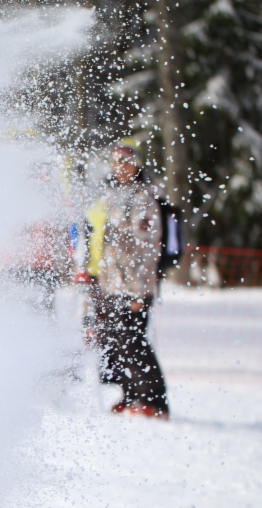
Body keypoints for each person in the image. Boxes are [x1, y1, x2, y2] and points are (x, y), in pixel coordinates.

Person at [95, 139, 170, 418]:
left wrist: (140, 293)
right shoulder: (113, 194)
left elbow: (148, 248)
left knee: (135, 340)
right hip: (113, 284)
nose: (121, 168)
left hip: (136, 286)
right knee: (118, 342)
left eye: (126, 162)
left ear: (136, 164)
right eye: (117, 162)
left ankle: (155, 400)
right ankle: (130, 395)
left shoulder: (144, 196)